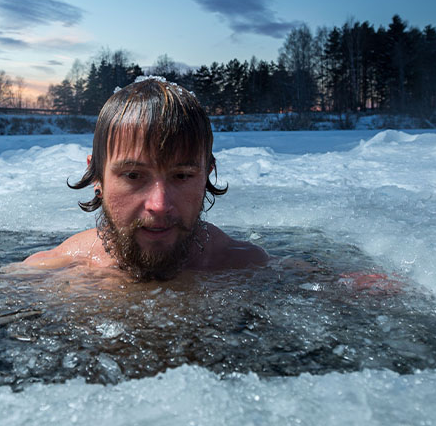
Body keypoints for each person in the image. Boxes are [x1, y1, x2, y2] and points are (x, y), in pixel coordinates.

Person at [24, 76, 268, 281]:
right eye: (133, 175)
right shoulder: (51, 271)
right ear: (97, 177)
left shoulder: (250, 268)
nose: (159, 205)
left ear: (206, 176)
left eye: (182, 175)